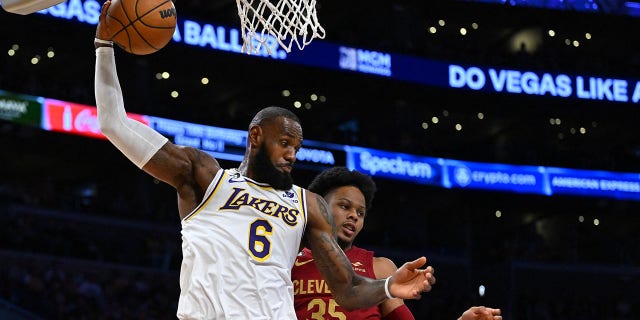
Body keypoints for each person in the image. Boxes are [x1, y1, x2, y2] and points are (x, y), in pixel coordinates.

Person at [93, 1, 435, 319]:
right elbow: (113, 123)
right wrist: (104, 47)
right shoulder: (206, 177)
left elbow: (347, 290)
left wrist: (389, 286)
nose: (292, 154)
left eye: (297, 148)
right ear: (255, 136)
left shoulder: (309, 204)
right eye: (285, 142)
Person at [293, 167, 502, 320]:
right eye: (344, 206)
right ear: (318, 207)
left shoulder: (379, 267)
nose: (354, 216)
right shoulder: (289, 258)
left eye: (361, 213)